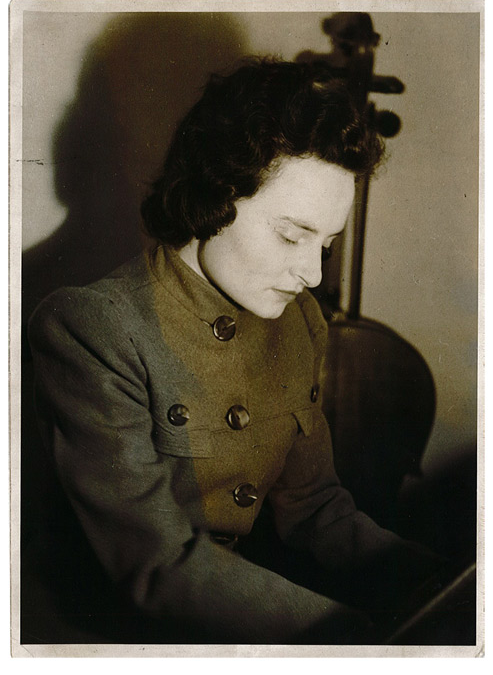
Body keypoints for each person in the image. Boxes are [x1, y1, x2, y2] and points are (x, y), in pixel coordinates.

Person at [28, 57, 443, 645]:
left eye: (325, 244)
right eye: (292, 234)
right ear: (214, 194)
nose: (309, 272)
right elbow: (157, 568)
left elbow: (318, 509)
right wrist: (348, 637)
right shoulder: (91, 328)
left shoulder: (299, 320)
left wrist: (443, 586)